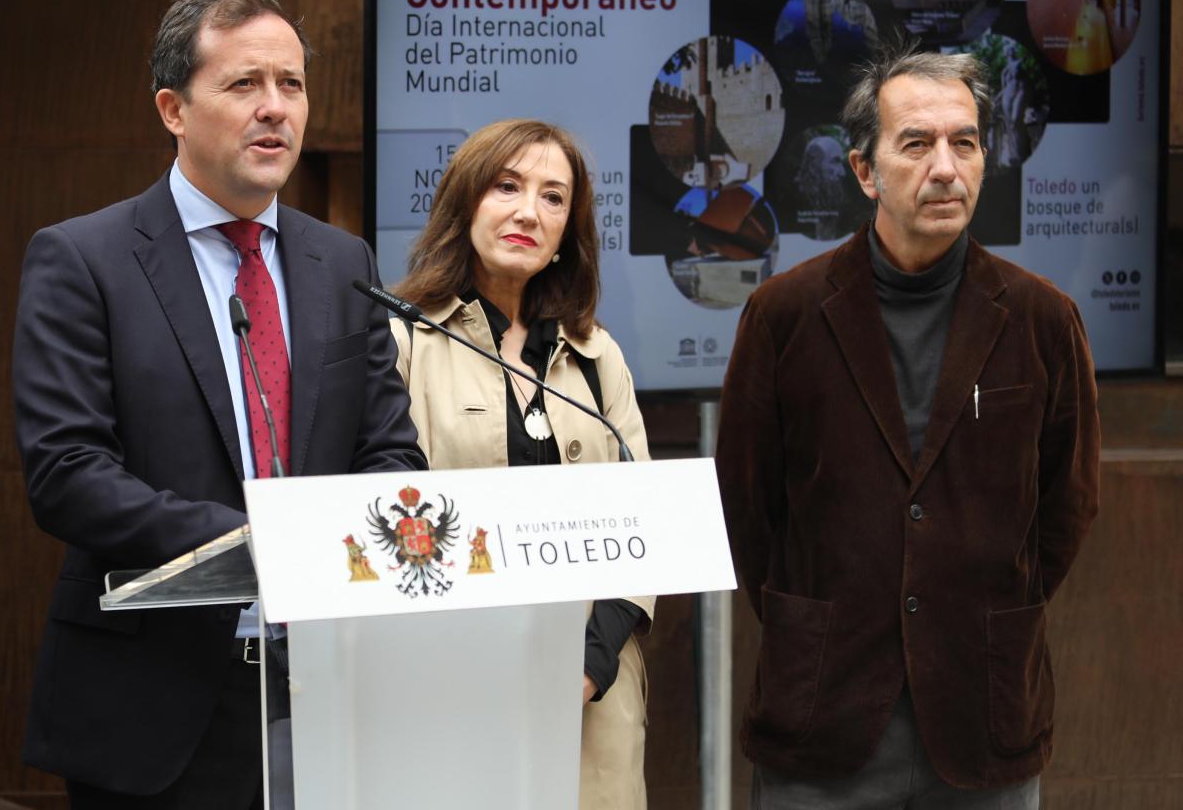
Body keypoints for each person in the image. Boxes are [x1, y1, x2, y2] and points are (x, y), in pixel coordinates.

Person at [11, 0, 424, 808]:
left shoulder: (342, 264)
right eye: (244, 85)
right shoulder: (84, 260)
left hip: (324, 690)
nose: (275, 108)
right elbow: (68, 472)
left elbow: (389, 451)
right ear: (173, 108)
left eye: (292, 85)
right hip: (154, 705)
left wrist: (350, 537)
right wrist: (256, 540)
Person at [716, 43, 1098, 808]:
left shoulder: (1040, 319)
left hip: (982, 706)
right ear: (865, 171)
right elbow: (746, 509)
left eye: (965, 142)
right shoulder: (785, 315)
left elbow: (1066, 506)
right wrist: (818, 621)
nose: (947, 167)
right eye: (917, 144)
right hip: (825, 710)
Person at [389, 119, 654, 810]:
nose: (528, 212)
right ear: (466, 201)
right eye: (507, 187)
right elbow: (384, 527)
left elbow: (644, 530)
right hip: (447, 690)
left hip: (591, 703)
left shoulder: (600, 358)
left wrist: (588, 670)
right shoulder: (399, 343)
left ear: (570, 227)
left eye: (553, 197)